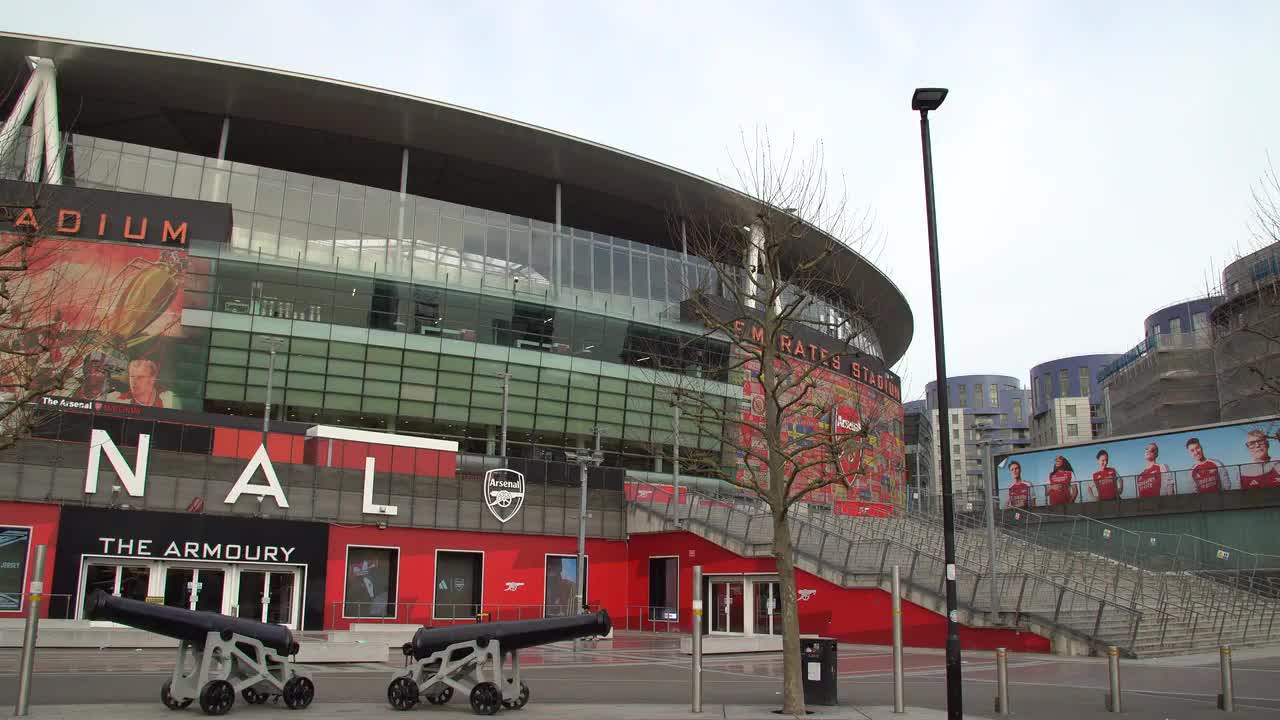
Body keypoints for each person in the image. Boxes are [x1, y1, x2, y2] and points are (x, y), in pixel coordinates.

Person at [106, 358, 176, 408]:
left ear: (152, 379)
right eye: (132, 376)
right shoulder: (116, 400)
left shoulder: (170, 399)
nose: (134, 382)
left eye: (140, 377)